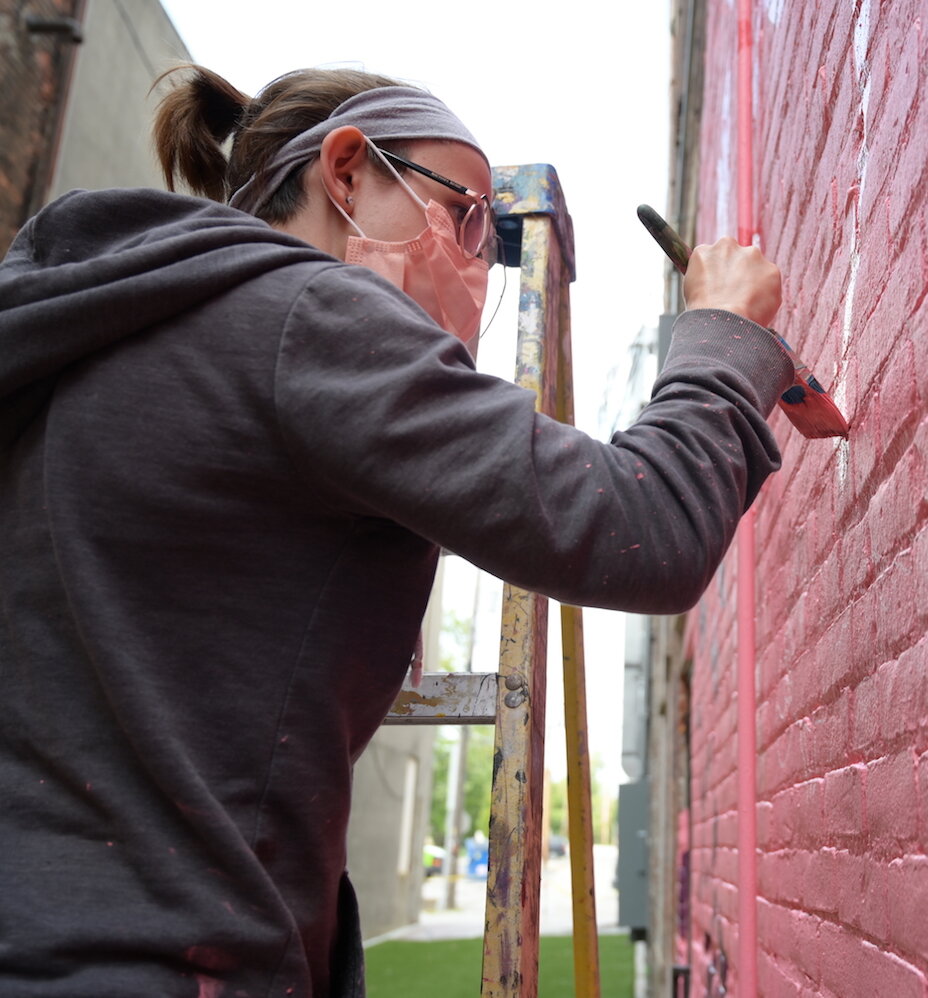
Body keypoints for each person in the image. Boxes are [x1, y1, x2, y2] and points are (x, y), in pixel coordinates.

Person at [0, 66, 791, 997]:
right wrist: (722, 336)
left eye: (492, 245)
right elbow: (645, 526)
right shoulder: (309, 320)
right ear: (345, 174)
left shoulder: (85, 337)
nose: (474, 259)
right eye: (463, 215)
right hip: (168, 962)